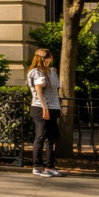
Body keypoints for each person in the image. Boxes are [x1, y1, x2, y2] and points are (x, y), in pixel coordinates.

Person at [28, 48, 62, 177]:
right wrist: (44, 107)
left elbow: (55, 90)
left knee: (51, 137)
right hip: (39, 107)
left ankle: (50, 166)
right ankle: (37, 166)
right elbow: (38, 91)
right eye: (44, 57)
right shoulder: (36, 72)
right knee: (41, 136)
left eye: (48, 57)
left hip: (53, 106)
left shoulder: (52, 72)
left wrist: (55, 106)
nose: (46, 59)